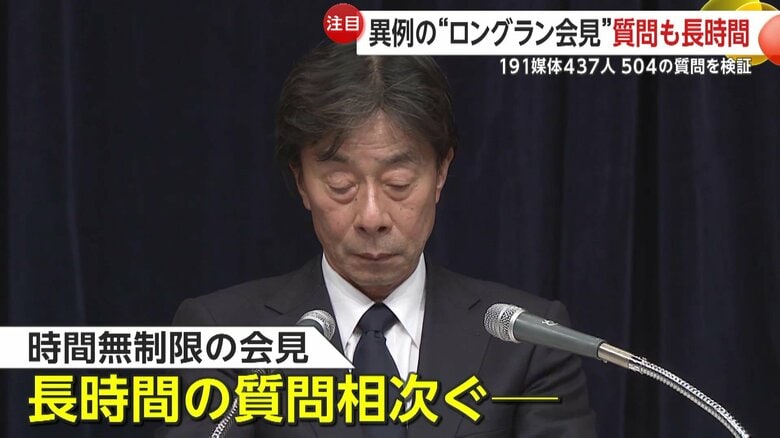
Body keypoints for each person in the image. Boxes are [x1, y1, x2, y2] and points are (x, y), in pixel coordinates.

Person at [157, 41, 598, 438]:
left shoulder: (528, 341)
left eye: (398, 183)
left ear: (441, 172)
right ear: (301, 181)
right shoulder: (222, 334)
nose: (372, 217)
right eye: (341, 185)